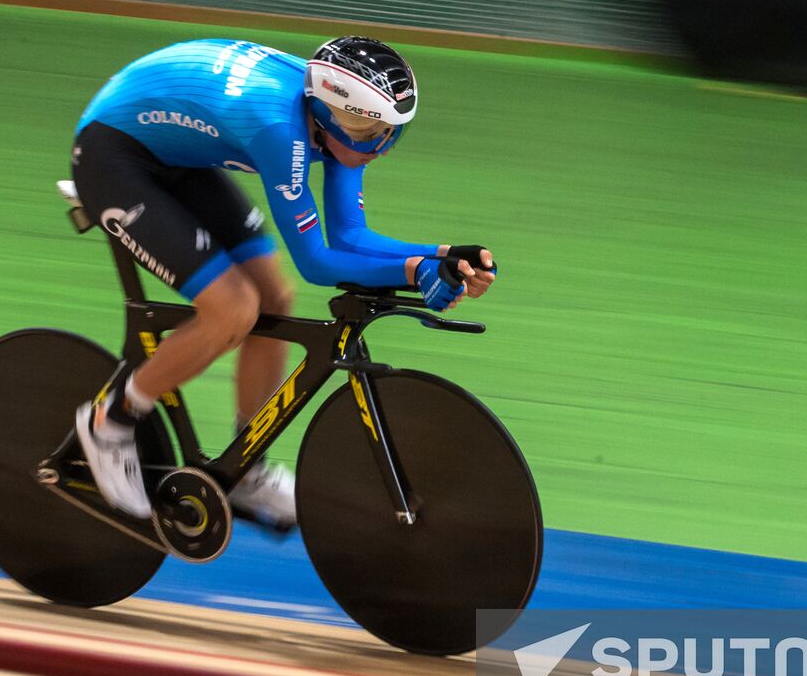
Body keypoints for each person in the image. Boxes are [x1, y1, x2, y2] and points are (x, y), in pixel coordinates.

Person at [70, 36, 497, 530]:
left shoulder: (338, 120)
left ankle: (244, 465)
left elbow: (350, 235)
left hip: (175, 153)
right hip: (113, 156)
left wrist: (441, 257)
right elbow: (317, 262)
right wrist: (413, 271)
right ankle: (110, 421)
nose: (376, 145)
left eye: (388, 131)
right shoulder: (281, 128)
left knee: (274, 299)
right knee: (232, 309)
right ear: (325, 111)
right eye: (365, 129)